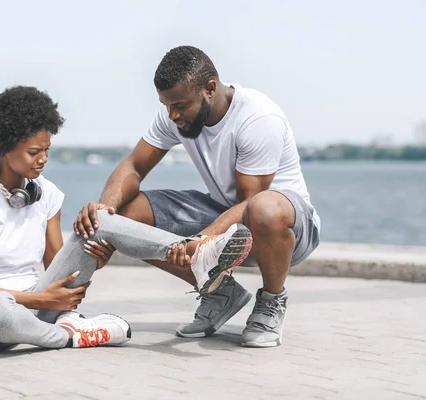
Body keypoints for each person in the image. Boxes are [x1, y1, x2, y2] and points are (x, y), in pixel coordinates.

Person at [0, 85, 253, 350]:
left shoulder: (47, 193)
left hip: (43, 299)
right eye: (33, 152)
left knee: (100, 218)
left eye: (48, 150)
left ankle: (193, 252)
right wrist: (40, 300)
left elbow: (57, 265)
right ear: (3, 148)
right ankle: (70, 335)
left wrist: (95, 254)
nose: (43, 160)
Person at [74, 45, 321, 348]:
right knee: (126, 218)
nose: (172, 114)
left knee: (264, 208)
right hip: (227, 213)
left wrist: (198, 241)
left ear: (210, 89)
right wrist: (105, 217)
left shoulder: (258, 117)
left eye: (179, 105)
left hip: (285, 228)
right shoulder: (174, 113)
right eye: (166, 105)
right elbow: (134, 165)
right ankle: (220, 292)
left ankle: (272, 299)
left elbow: (249, 203)